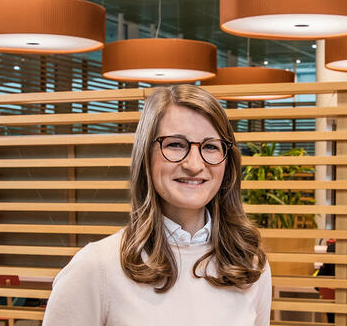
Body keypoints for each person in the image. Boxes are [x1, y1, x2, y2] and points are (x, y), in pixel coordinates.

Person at [43, 85, 271, 325]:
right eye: (175, 144)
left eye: (210, 146)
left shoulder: (250, 266)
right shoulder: (96, 267)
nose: (194, 164)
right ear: (145, 155)